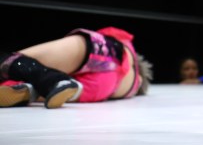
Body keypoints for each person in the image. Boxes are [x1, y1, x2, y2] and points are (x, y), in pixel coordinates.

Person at [0, 26, 152, 108]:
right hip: (103, 88)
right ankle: (31, 87)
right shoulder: (133, 84)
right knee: (53, 88)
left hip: (105, 52)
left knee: (10, 60)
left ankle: (50, 79)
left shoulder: (127, 48)